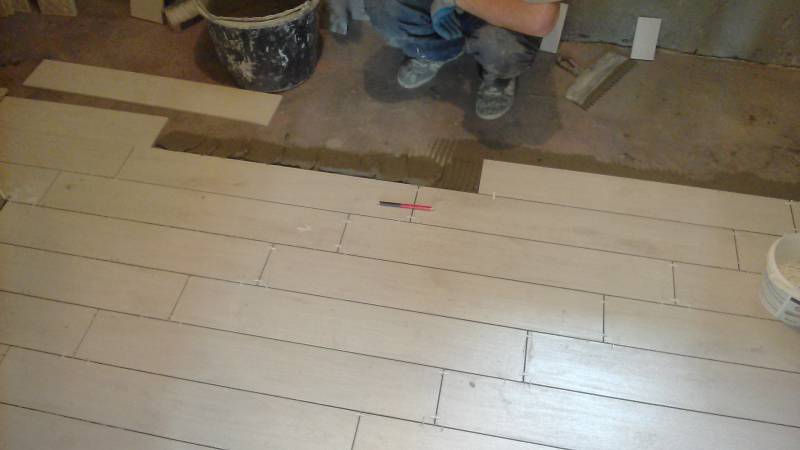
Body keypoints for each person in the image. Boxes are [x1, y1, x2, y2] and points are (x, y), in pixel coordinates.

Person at [364, 0, 561, 120]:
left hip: (503, 8)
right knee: (385, 5)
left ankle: (497, 75)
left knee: (504, 50)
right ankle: (434, 50)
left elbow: (538, 20)